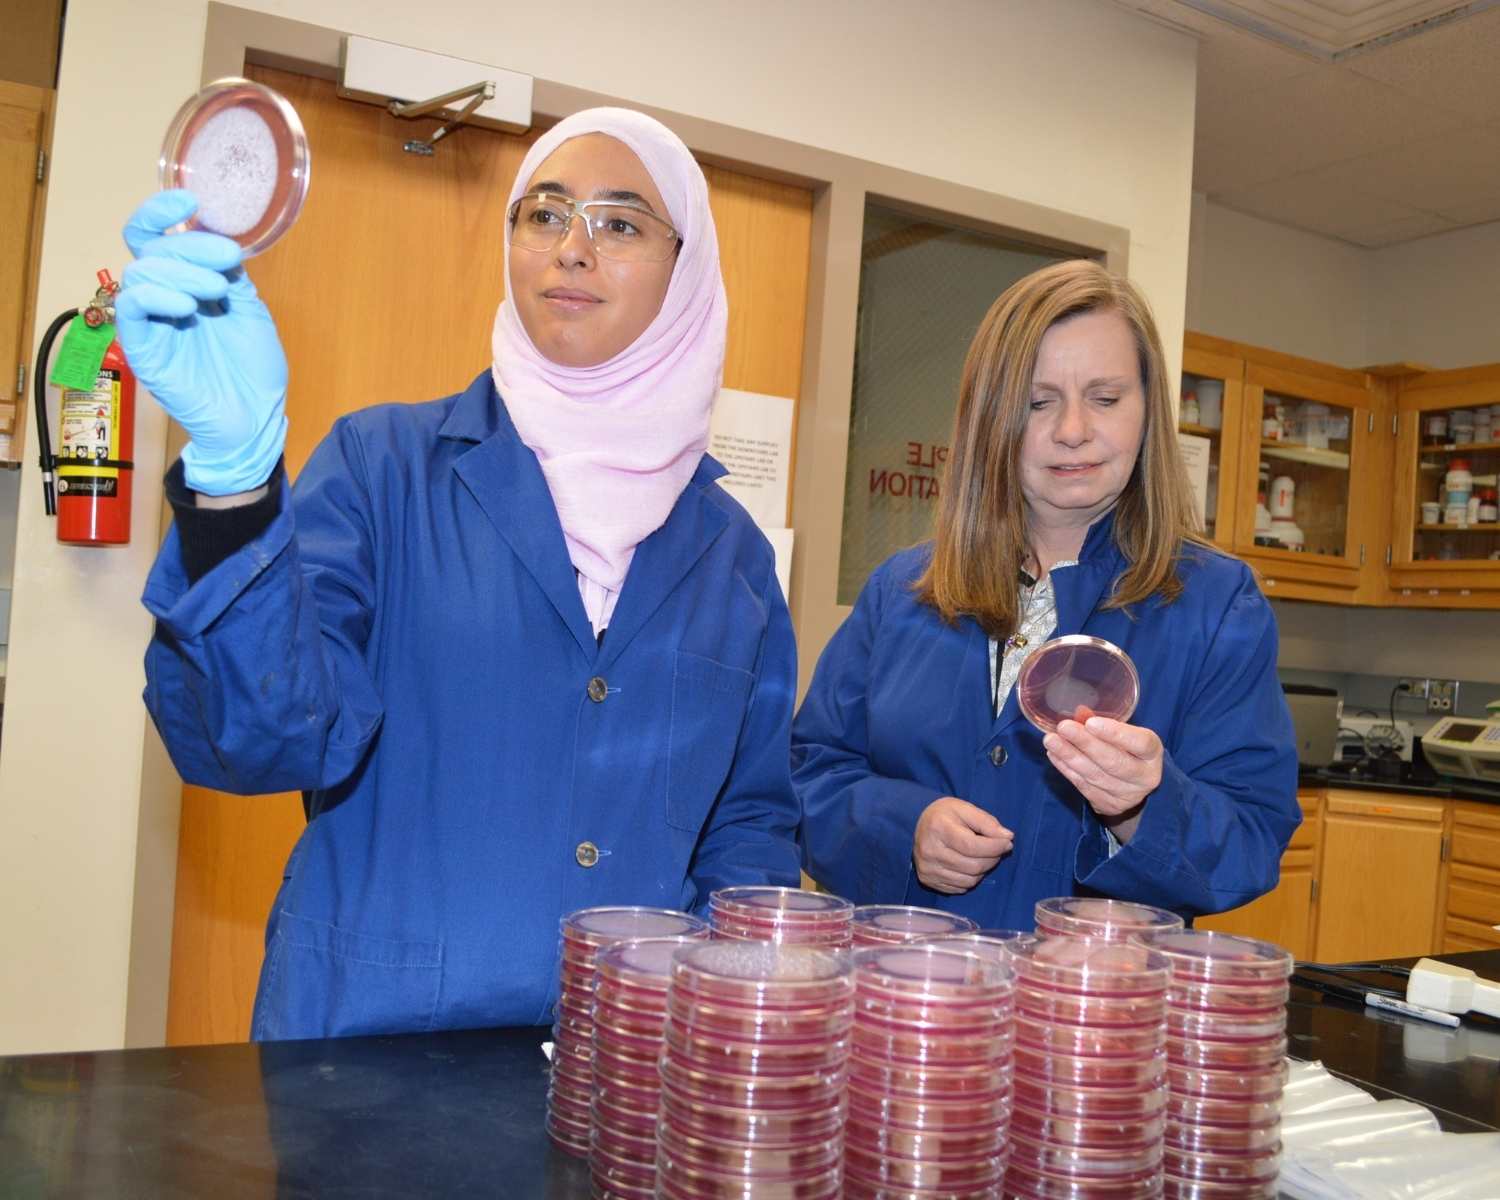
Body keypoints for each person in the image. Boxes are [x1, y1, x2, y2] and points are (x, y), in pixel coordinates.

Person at [124, 108, 800, 1040]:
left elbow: (747, 827)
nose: (572, 249)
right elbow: (257, 741)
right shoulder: (381, 466)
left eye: (621, 222)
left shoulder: (734, 558)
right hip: (370, 1059)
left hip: (635, 1072)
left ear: (686, 272)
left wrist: (737, 1023)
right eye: (545, 214)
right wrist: (232, 484)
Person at [793, 260, 1299, 927]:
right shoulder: (900, 593)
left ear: (1148, 410)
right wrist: (903, 828)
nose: (1072, 430)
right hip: (910, 994)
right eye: (1038, 402)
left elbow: (1252, 837)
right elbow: (808, 776)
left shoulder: (1215, 605)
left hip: (1090, 1005)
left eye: (1106, 397)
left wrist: (1145, 806)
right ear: (989, 420)